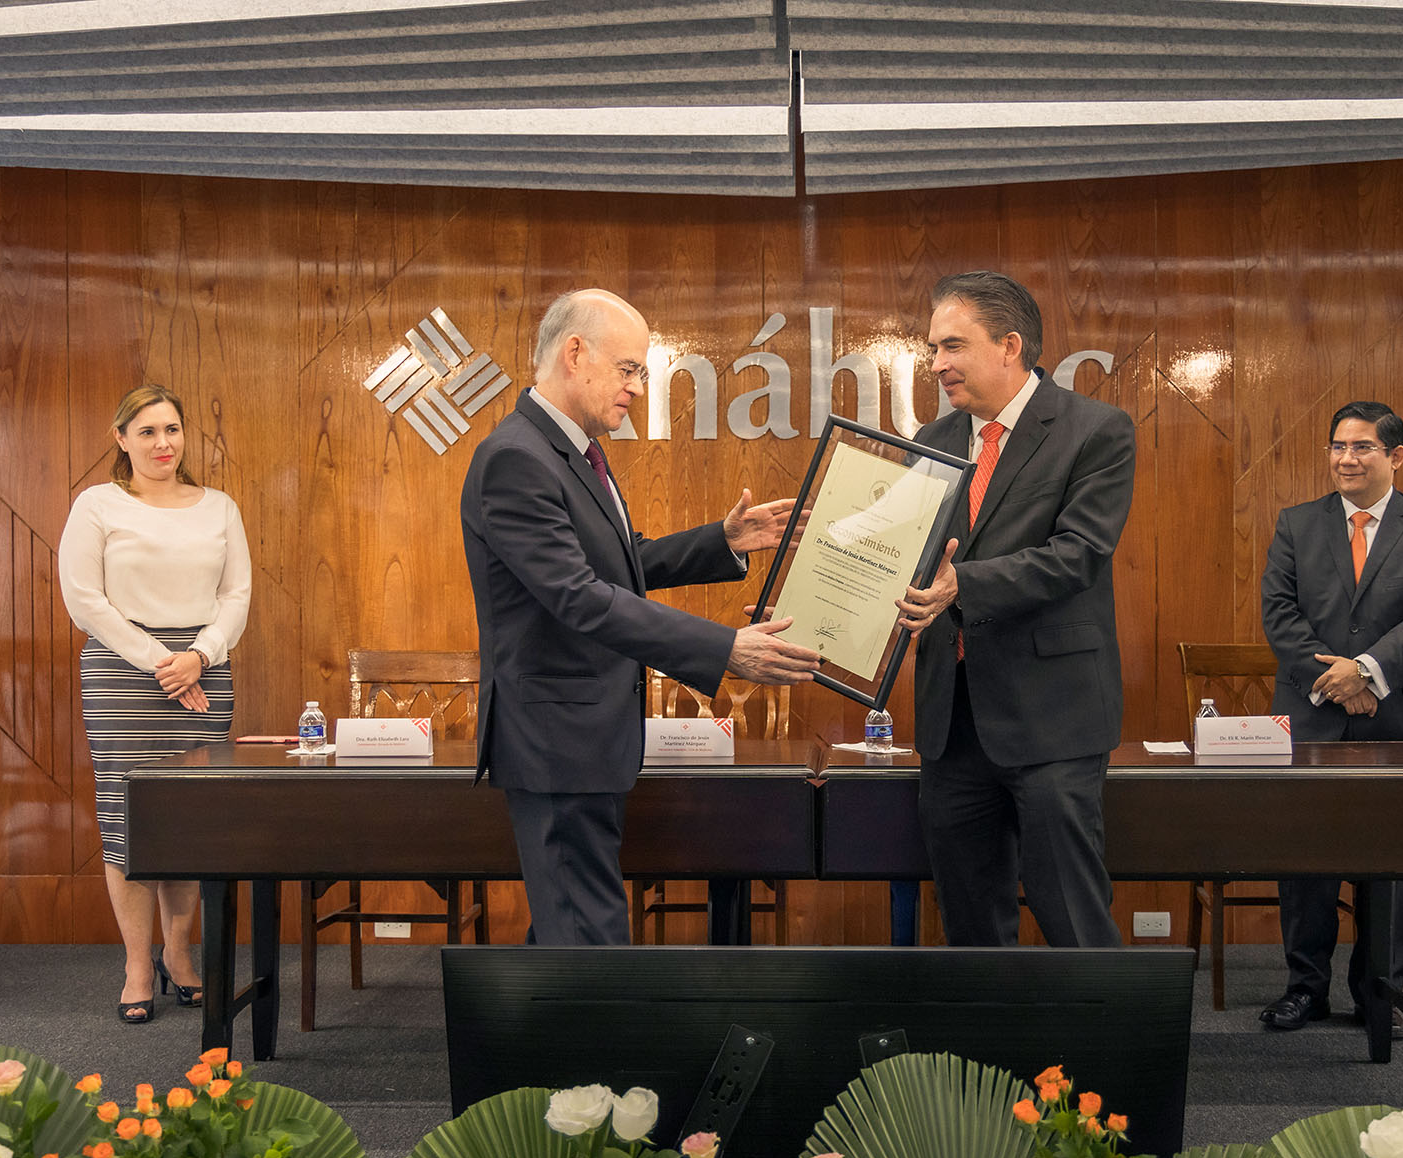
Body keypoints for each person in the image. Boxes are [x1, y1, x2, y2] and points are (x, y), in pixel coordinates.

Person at [459, 288, 821, 946]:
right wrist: (723, 649)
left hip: (583, 742)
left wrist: (721, 542)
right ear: (576, 354)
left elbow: (618, 566)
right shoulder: (517, 459)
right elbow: (578, 595)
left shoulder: (568, 452)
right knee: (587, 938)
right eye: (629, 369)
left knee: (570, 928)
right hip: (556, 744)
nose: (637, 387)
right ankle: (588, 1053)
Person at [895, 271, 1136, 947]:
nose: (937, 363)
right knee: (971, 926)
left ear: (1008, 346)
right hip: (953, 726)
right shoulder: (935, 437)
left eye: (952, 345)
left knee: (1073, 921)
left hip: (1051, 723)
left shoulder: (1095, 431)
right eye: (933, 347)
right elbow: (905, 548)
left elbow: (1078, 554)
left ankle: (1102, 1054)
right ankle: (989, 1055)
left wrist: (960, 586)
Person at [1258, 399, 1403, 1032]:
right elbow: (1278, 613)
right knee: (1304, 863)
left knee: (1395, 864)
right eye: (1337, 447)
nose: (1346, 459)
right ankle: (1305, 988)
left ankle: (1381, 991)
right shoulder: (1296, 523)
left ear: (1395, 456)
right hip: (1312, 715)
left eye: (1362, 448)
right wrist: (1339, 683)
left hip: (1400, 717)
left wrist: (1369, 672)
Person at [60, 383, 251, 1024]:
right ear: (121, 440)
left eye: (171, 429)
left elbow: (236, 595)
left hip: (204, 669)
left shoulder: (219, 506)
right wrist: (159, 663)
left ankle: (179, 955)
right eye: (146, 432)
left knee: (191, 820)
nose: (162, 443)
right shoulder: (97, 505)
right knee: (128, 822)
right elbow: (85, 600)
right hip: (123, 675)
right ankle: (136, 966)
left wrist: (200, 655)